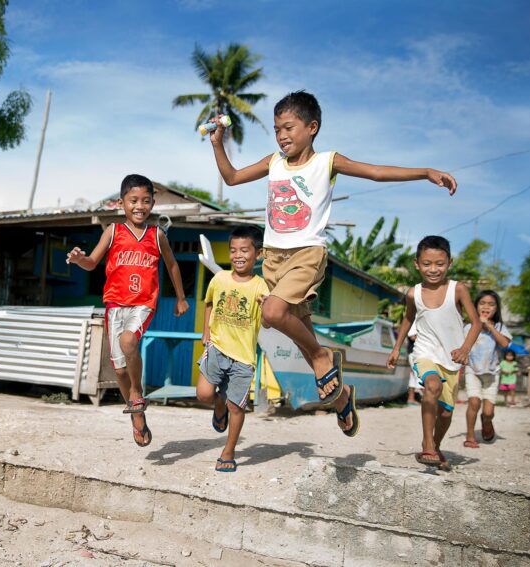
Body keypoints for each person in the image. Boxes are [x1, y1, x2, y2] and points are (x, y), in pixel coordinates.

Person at [207, 91, 457, 437]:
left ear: (312, 127)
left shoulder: (326, 161)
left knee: (273, 313)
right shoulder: (273, 162)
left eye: (289, 128)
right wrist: (217, 145)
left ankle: (323, 356)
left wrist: (425, 172)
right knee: (302, 340)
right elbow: (232, 177)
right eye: (277, 129)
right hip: (274, 258)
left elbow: (376, 172)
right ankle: (342, 399)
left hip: (306, 255)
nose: (281, 136)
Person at [67, 174, 189, 447]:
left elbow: (172, 265)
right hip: (115, 304)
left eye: (145, 201)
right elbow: (92, 262)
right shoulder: (113, 231)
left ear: (153, 204)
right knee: (119, 370)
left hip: (144, 303)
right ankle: (136, 413)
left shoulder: (157, 235)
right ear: (121, 203)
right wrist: (79, 259)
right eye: (133, 200)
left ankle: (137, 391)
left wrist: (181, 298)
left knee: (128, 340)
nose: (139, 206)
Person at [388, 236, 481, 469]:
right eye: (427, 264)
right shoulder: (414, 293)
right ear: (417, 264)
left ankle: (436, 447)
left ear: (449, 263)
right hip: (425, 352)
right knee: (432, 386)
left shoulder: (458, 289)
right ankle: (427, 443)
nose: (433, 269)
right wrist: (397, 348)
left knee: (446, 413)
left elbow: (476, 322)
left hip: (451, 359)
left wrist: (465, 349)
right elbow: (408, 319)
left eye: (440, 264)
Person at [196, 226, 269, 472]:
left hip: (244, 358)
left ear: (258, 254)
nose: (238, 255)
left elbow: (268, 323)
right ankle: (219, 405)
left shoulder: (261, 287)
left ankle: (228, 451)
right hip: (217, 348)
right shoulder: (219, 279)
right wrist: (206, 332)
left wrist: (266, 307)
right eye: (233, 250)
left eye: (244, 250)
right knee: (203, 395)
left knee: (236, 406)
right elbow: (209, 303)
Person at [463, 290, 511, 448]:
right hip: (472, 371)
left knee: (488, 412)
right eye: (482, 303)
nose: (486, 307)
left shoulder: (499, 326)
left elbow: (504, 344)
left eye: (491, 304)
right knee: (474, 402)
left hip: (492, 373)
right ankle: (470, 436)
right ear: (475, 306)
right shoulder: (468, 327)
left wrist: (490, 326)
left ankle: (486, 421)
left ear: (496, 309)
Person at [405, 326, 422, 406]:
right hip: (414, 353)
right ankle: (430, 399)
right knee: (419, 375)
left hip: (415, 353)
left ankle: (411, 399)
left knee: (413, 377)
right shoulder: (414, 323)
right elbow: (412, 336)